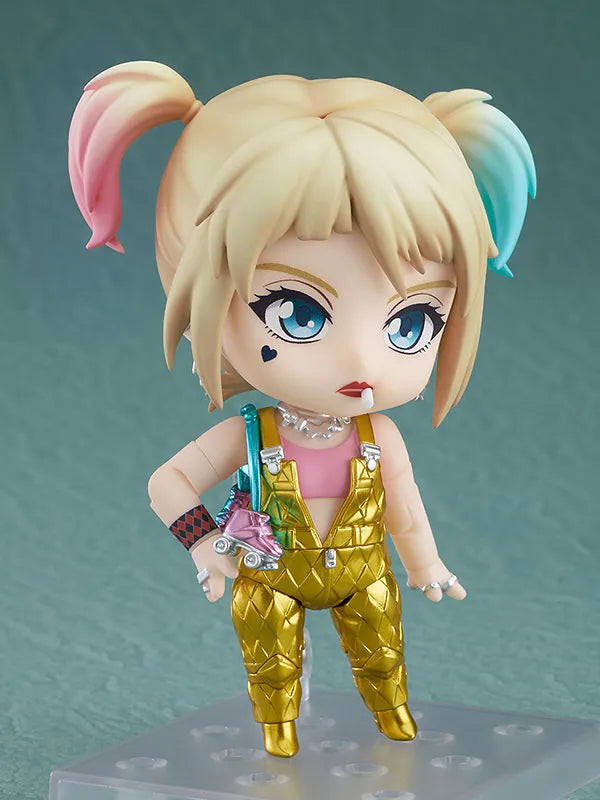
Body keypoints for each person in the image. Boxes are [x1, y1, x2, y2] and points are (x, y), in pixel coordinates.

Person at [68, 61, 536, 758]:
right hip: (270, 574)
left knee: (382, 652)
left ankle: (393, 715)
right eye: (296, 313)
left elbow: (405, 508)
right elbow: (168, 482)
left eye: (412, 322)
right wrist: (205, 543)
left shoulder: (378, 434)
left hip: (362, 572)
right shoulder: (252, 434)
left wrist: (425, 563)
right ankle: (278, 729)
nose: (360, 360)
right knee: (270, 655)